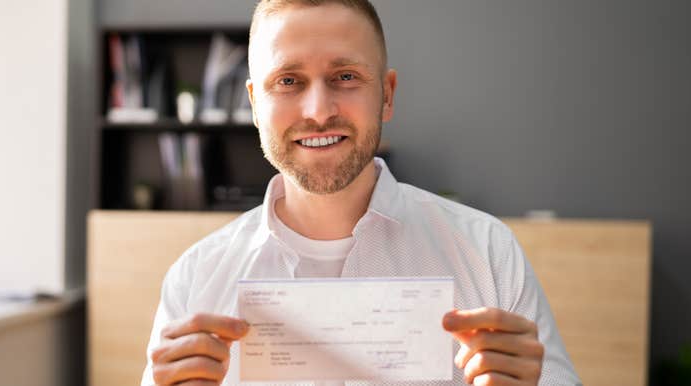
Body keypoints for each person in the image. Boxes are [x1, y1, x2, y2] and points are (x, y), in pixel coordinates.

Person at [141, 1, 581, 385]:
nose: (318, 112)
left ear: (387, 95)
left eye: (346, 76)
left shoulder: (489, 255)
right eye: (289, 82)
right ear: (255, 105)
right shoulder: (195, 279)